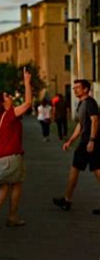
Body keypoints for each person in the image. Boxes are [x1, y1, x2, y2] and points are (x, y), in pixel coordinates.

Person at [0, 67, 32, 230]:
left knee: (3, 186)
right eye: (7, 96)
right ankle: (12, 217)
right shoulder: (9, 114)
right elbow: (28, 103)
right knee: (16, 185)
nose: (11, 97)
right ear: (3, 102)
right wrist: (27, 82)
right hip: (12, 156)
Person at [53, 79, 100, 215]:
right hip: (88, 141)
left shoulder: (90, 102)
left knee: (75, 169)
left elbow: (95, 120)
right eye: (74, 88)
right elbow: (81, 125)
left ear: (85, 89)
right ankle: (67, 200)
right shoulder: (82, 104)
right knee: (96, 171)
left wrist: (91, 140)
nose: (74, 90)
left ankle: (67, 200)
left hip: (89, 142)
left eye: (77, 87)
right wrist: (70, 141)